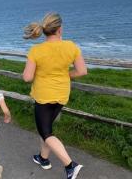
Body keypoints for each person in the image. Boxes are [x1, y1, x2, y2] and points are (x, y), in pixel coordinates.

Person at [23, 12, 87, 179]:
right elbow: (82, 71)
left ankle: (70, 166)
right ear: (59, 29)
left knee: (45, 133)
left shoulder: (36, 50)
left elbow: (27, 77)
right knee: (47, 128)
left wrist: (40, 72)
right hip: (62, 94)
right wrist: (66, 75)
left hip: (43, 96)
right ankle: (43, 158)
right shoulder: (71, 46)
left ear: (44, 30)